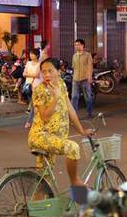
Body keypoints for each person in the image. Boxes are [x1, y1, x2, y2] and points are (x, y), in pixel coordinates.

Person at [28, 58, 94, 187]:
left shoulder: (61, 85)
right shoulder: (40, 90)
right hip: (41, 137)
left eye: (50, 71)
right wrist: (56, 97)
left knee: (44, 183)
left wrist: (81, 131)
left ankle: (34, 207)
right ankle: (75, 182)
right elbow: (45, 117)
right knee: (73, 148)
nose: (46, 75)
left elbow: (70, 109)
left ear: (59, 72)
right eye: (43, 72)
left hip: (56, 138)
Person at [71, 38, 94, 118]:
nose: (76, 46)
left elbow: (90, 67)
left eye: (78, 45)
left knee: (88, 97)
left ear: (82, 45)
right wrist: (73, 76)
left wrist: (89, 77)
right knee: (74, 97)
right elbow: (74, 67)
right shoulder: (74, 56)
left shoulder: (88, 55)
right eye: (75, 45)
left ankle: (89, 113)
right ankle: (74, 115)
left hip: (85, 79)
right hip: (75, 79)